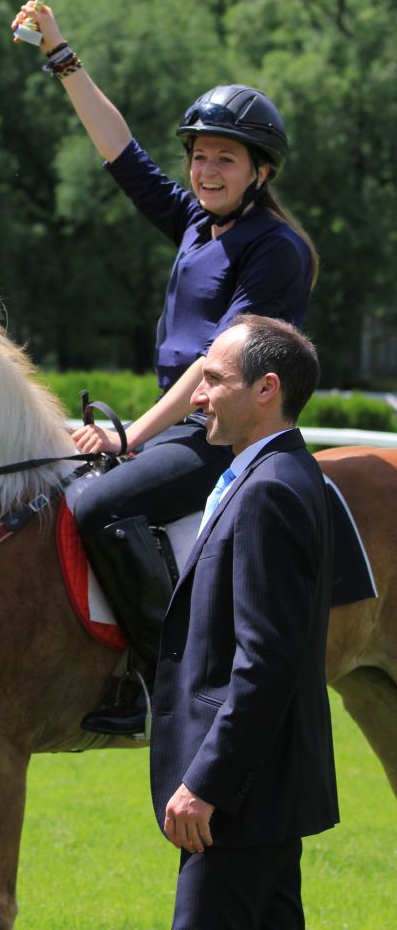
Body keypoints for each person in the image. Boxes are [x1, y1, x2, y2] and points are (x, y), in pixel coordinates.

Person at [11, 0, 319, 735]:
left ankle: (164, 680)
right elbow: (120, 151)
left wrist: (132, 435)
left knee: (96, 505)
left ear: (260, 171)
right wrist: (60, 54)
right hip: (183, 422)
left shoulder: (275, 248)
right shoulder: (196, 224)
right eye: (199, 157)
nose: (206, 171)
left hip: (227, 433)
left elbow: (220, 359)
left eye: (225, 159)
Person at [150, 314, 338, 929]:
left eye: (213, 379)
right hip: (262, 794)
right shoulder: (276, 473)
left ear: (266, 389)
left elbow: (266, 661)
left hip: (239, 799)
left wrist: (207, 782)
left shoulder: (268, 490)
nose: (196, 396)